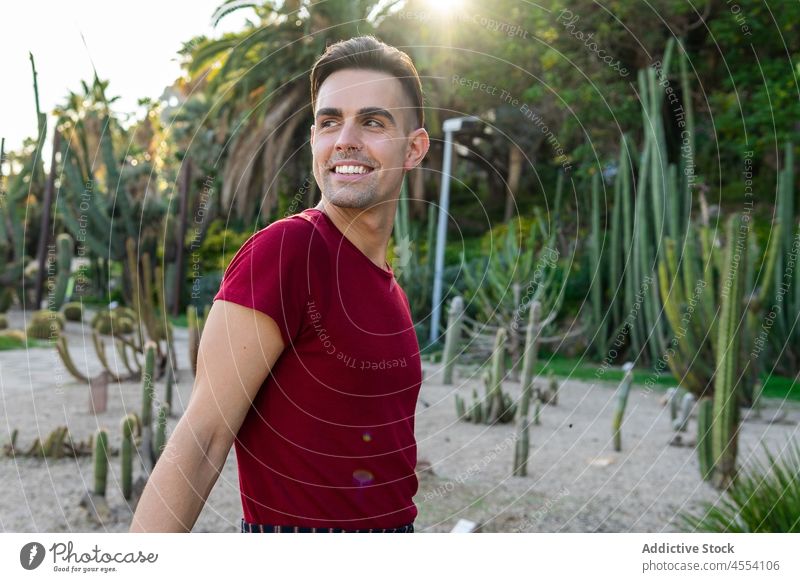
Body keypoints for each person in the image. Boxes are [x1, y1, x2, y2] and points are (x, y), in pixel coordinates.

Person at [130, 36, 430, 533]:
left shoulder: (389, 289)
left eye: (373, 122)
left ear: (414, 148)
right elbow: (202, 439)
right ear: (314, 138)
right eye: (330, 121)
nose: (345, 139)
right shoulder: (287, 252)